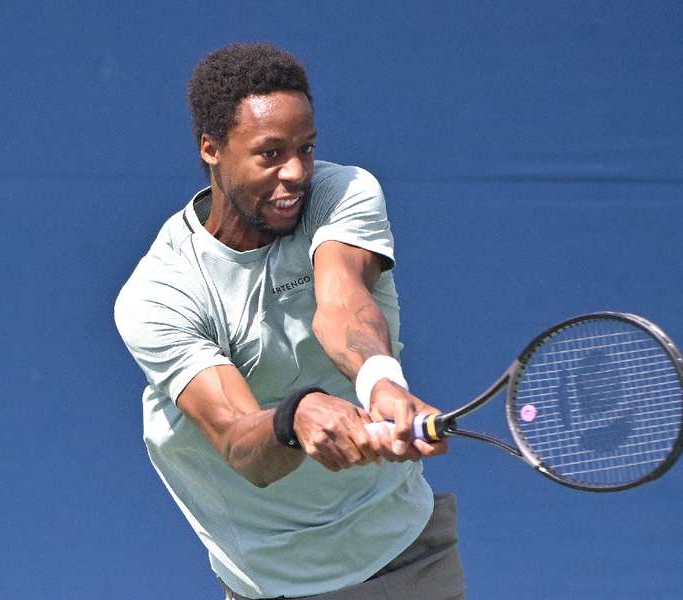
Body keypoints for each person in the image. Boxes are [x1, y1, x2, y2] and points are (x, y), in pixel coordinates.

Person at [114, 43, 465, 599]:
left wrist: (381, 382)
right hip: (269, 582)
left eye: (306, 148)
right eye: (270, 153)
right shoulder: (159, 294)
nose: (297, 172)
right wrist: (294, 417)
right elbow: (238, 442)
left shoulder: (342, 193)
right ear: (211, 148)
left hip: (405, 555)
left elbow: (342, 302)